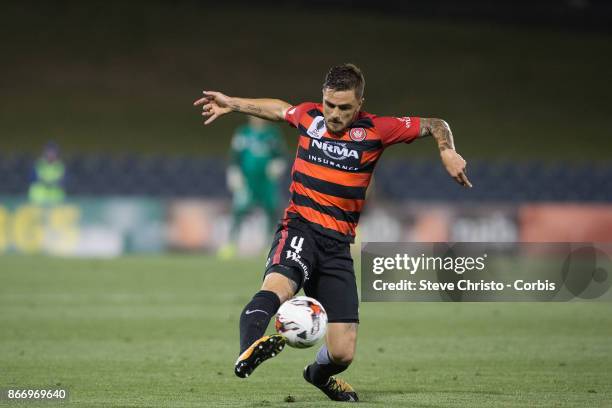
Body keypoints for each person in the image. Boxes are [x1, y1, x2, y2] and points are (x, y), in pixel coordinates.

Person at [193, 63, 471, 402]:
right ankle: (249, 349)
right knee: (278, 286)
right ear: (322, 99)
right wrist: (233, 103)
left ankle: (317, 375)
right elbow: (279, 109)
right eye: (329, 105)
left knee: (342, 353)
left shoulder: (378, 130)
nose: (335, 114)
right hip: (300, 228)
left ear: (360, 103)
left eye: (344, 107)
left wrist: (446, 149)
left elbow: (435, 124)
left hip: (338, 246)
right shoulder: (310, 118)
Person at [219, 116, 287, 259]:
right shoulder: (243, 133)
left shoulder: (272, 134)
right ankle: (231, 244)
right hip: (247, 181)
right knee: (239, 211)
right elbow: (234, 156)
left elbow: (281, 154)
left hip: (267, 181)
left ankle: (269, 245)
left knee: (271, 211)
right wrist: (233, 173)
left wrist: (277, 165)